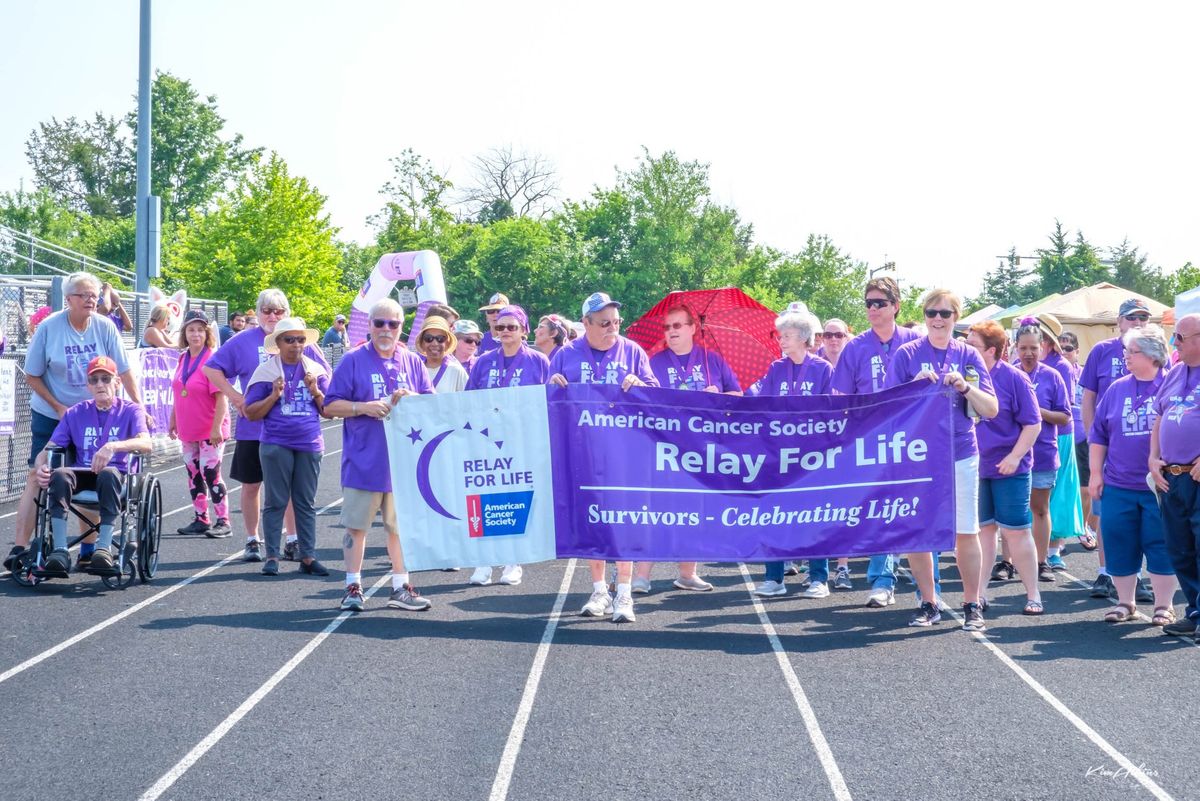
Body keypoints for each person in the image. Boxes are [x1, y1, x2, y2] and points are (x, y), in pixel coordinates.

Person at [6, 272, 141, 574]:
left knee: (92, 469)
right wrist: (59, 407)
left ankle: (90, 549)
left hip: (96, 412)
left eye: (95, 294)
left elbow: (125, 370)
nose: (92, 299)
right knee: (37, 475)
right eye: (84, 295)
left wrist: (138, 406)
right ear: (68, 299)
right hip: (53, 411)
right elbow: (32, 374)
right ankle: (20, 547)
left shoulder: (105, 327)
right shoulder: (50, 328)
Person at [887, 289, 998, 630]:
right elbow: (887, 409)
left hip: (960, 452)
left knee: (967, 531)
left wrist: (965, 387)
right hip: (918, 456)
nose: (937, 319)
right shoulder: (906, 354)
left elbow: (991, 409)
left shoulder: (968, 355)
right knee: (918, 531)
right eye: (932, 312)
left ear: (955, 318)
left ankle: (971, 603)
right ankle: (929, 602)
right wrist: (912, 389)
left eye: (945, 313)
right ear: (923, 316)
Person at [550, 291, 658, 623]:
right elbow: (547, 401)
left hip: (623, 453)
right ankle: (599, 589)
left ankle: (624, 594)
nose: (612, 328)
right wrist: (552, 385)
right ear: (585, 324)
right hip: (581, 451)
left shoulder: (633, 351)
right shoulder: (565, 354)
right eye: (603, 323)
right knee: (591, 520)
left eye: (616, 322)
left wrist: (640, 383)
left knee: (623, 522)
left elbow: (655, 394)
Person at [203, 289, 330, 563]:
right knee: (252, 485)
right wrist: (236, 397)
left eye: (278, 311)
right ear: (257, 312)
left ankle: (293, 539)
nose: (272, 316)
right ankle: (252, 539)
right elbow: (211, 368)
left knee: (293, 490)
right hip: (254, 429)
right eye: (266, 311)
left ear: (287, 312)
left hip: (294, 430)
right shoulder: (243, 340)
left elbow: (325, 373)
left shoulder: (299, 338)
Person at [324, 298, 434, 612]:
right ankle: (352, 587)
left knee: (400, 530)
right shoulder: (353, 359)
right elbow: (330, 406)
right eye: (379, 323)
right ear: (370, 325)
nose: (386, 329)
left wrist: (411, 399)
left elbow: (432, 404)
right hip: (364, 460)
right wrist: (363, 407)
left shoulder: (412, 362)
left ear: (402, 327)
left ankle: (401, 587)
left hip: (403, 464)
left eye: (393, 324)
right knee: (356, 528)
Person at [830, 277, 922, 607]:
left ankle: (927, 585)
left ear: (896, 306)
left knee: (918, 510)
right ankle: (883, 580)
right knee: (883, 510)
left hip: (915, 441)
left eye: (879, 303)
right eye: (868, 303)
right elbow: (841, 397)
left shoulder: (916, 342)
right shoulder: (855, 348)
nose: (872, 309)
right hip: (872, 442)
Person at [639, 303, 742, 594]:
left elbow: (738, 395)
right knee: (657, 509)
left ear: (692, 328)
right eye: (667, 327)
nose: (670, 331)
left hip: (701, 451)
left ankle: (687, 573)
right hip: (665, 448)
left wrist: (718, 395)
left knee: (694, 510)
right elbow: (644, 402)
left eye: (677, 326)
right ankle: (642, 575)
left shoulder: (713, 360)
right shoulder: (654, 362)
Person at [1091, 325, 1178, 625]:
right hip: (1118, 483)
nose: (1125, 356)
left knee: (1161, 543)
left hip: (1160, 485)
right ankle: (1125, 603)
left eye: (1132, 351)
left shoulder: (1171, 384)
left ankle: (1163, 605)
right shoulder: (1116, 389)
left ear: (1153, 356)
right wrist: (1094, 475)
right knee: (1119, 540)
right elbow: (1098, 435)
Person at [33, 356, 151, 576]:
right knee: (59, 474)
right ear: (88, 385)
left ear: (117, 382)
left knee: (107, 474)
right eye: (94, 380)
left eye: (105, 379)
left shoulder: (131, 410)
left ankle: (103, 549)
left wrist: (114, 446)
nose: (99, 384)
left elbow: (146, 443)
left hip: (115, 475)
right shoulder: (75, 413)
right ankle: (59, 551)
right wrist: (41, 466)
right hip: (82, 473)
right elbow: (48, 449)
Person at [751, 302, 835, 598]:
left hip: (812, 457)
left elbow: (831, 412)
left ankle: (818, 579)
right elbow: (763, 407)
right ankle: (774, 578)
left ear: (803, 336)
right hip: (779, 456)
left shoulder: (824, 369)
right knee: (774, 515)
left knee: (814, 516)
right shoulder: (776, 368)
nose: (781, 340)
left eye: (786, 335)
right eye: (781, 335)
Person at [464, 305, 551, 588]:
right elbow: (468, 401)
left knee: (516, 497)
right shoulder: (483, 362)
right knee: (483, 497)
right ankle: (484, 560)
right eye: (499, 327)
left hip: (522, 441)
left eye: (511, 327)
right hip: (486, 440)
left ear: (524, 330)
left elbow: (549, 403)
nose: (504, 332)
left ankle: (513, 560)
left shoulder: (539, 362)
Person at [243, 317, 330, 577]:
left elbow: (329, 411)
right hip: (276, 443)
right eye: (289, 340)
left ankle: (308, 556)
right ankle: (272, 555)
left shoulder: (315, 370)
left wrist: (315, 390)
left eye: (300, 339)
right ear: (278, 343)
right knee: (276, 501)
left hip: (309, 442)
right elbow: (250, 413)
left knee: (305, 502)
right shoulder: (266, 372)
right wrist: (273, 396)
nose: (296, 345)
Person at [968, 321, 1044, 615]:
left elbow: (1033, 424)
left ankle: (1033, 594)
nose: (965, 350)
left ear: (991, 350)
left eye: (972, 345)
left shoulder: (1014, 379)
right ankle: (979, 594)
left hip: (1009, 468)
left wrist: (1014, 456)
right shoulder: (966, 377)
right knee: (983, 533)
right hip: (976, 467)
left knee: (1017, 532)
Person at [1081, 297, 1151, 599]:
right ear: (1119, 322)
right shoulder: (1101, 351)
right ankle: (1105, 572)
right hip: (1106, 443)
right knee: (1106, 510)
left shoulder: (1156, 353)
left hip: (1142, 445)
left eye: (1142, 319)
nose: (1137, 323)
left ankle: (1137, 575)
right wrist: (1090, 435)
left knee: (1144, 513)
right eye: (1131, 318)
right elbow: (1088, 397)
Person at [1150, 312, 1200, 639]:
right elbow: (1159, 417)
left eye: (1179, 337)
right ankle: (1195, 611)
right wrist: (1153, 459)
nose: (1173, 343)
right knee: (1180, 548)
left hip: (1197, 477)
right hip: (1171, 476)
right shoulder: (1175, 373)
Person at [1013, 319, 1071, 582]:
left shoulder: (1052, 376)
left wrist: (1038, 411)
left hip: (1044, 453)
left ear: (1043, 347)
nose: (1028, 353)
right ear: (1015, 347)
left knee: (1039, 509)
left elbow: (1065, 417)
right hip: (1012, 453)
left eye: (1033, 348)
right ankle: (1007, 561)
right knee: (1012, 512)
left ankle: (1041, 560)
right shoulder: (1008, 373)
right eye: (1023, 348)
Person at [169, 310, 232, 538]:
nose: (195, 334)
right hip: (188, 427)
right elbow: (178, 390)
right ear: (184, 333)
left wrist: (216, 428)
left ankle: (223, 520)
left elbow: (221, 397)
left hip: (210, 427)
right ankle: (201, 518)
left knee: (210, 471)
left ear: (207, 333)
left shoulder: (212, 360)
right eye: (191, 329)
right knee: (193, 472)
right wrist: (173, 419)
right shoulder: (183, 358)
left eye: (200, 330)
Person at [1059, 330, 1098, 552]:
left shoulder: (1084, 374)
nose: (1064, 352)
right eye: (1060, 347)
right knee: (1060, 489)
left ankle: (1083, 527)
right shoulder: (1052, 371)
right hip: (1061, 435)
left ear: (1077, 351)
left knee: (1085, 489)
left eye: (1068, 348)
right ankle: (1059, 536)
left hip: (1083, 435)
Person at [416, 315, 469, 393]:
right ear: (422, 343)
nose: (434, 343)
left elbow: (468, 401)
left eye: (440, 339)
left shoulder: (456, 371)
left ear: (447, 343)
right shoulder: (414, 371)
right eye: (428, 338)